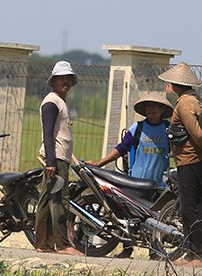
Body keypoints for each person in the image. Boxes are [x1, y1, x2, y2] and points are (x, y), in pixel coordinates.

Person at [87, 92, 173, 259]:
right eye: (149, 106)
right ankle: (127, 249)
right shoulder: (137, 128)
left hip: (159, 183)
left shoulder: (168, 129)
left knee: (156, 218)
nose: (151, 109)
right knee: (128, 216)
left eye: (155, 106)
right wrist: (100, 163)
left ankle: (154, 251)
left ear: (162, 110)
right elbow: (121, 149)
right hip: (136, 182)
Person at [158, 62, 202, 267]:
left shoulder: (184, 104)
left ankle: (200, 255)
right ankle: (191, 254)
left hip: (190, 161)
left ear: (174, 84)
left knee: (189, 209)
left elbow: (197, 134)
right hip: (200, 163)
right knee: (195, 208)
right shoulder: (201, 103)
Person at [35, 61, 82, 255]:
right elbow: (48, 134)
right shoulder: (51, 102)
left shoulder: (60, 101)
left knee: (47, 200)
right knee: (60, 200)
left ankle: (43, 244)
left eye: (68, 78)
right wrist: (51, 162)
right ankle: (63, 245)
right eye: (61, 78)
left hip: (60, 157)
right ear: (53, 81)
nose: (65, 82)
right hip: (56, 158)